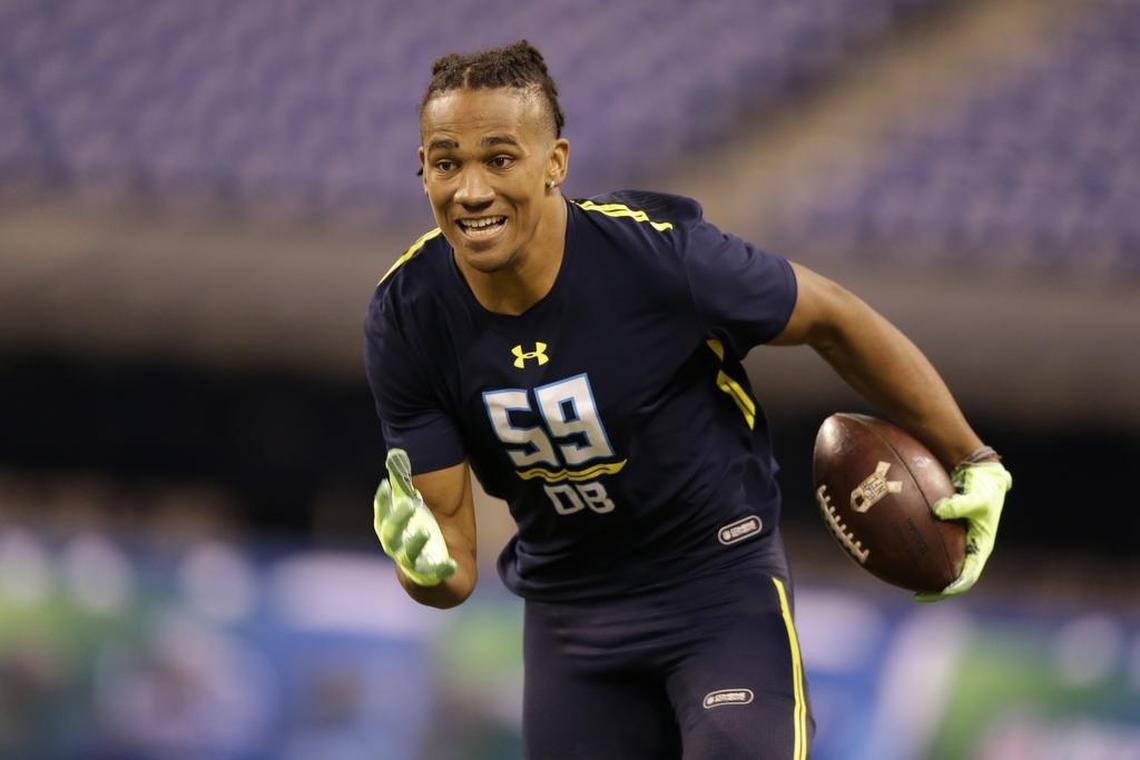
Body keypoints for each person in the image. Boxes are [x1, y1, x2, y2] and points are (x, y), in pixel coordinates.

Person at [364, 40, 1011, 760]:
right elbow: (452, 565)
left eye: (500, 158)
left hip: (715, 587)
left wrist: (971, 456)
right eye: (448, 162)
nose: (473, 190)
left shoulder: (660, 260)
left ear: (556, 163)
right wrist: (418, 568)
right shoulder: (408, 316)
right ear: (422, 168)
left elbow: (835, 317)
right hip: (571, 618)